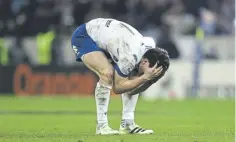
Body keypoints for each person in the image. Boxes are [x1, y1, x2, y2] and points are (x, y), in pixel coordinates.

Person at [71, 18, 169, 135]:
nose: (151, 74)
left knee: (135, 76)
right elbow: (118, 88)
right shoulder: (130, 55)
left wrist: (150, 80)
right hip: (86, 36)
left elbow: (132, 89)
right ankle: (101, 126)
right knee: (107, 73)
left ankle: (128, 124)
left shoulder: (149, 47)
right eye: (152, 72)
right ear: (145, 62)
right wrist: (144, 78)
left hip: (109, 38)